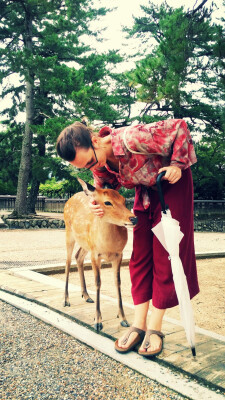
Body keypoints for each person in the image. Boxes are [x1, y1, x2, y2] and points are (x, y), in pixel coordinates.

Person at [56, 119, 199, 357]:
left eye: (91, 161)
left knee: (165, 255)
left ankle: (155, 327)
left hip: (171, 186)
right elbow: (102, 188)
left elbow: (180, 127)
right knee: (139, 256)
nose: (92, 166)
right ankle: (138, 324)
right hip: (145, 193)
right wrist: (95, 204)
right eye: (85, 167)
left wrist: (177, 163)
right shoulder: (100, 162)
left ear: (94, 141)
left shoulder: (133, 137)